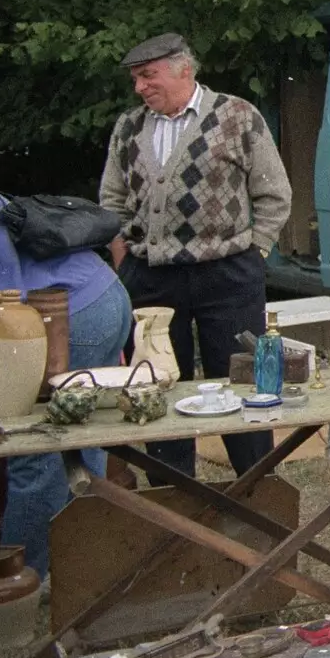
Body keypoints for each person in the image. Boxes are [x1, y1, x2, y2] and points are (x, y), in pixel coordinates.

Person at [100, 33, 292, 479]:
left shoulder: (238, 116)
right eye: (135, 79)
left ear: (184, 69)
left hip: (228, 274)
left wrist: (255, 253)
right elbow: (111, 201)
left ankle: (257, 494)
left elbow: (275, 194)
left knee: (244, 388)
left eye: (148, 76)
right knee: (157, 391)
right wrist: (122, 260)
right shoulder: (129, 128)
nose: (140, 88)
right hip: (149, 278)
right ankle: (173, 504)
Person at [0, 194, 134, 578]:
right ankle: (82, 573)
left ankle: (27, 580)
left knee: (34, 448)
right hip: (99, 296)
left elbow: (5, 302)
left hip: (71, 314)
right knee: (80, 441)